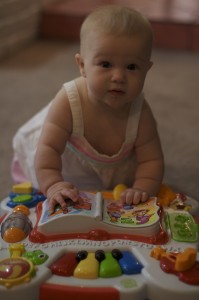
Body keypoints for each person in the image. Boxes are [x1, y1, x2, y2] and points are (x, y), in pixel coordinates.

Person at [12, 5, 164, 214]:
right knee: (49, 178)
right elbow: (48, 149)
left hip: (111, 171)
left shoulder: (140, 112)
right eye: (106, 64)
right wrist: (53, 184)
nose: (118, 76)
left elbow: (151, 160)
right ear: (82, 65)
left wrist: (141, 189)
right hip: (64, 164)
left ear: (147, 69)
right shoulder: (69, 100)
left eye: (131, 67)